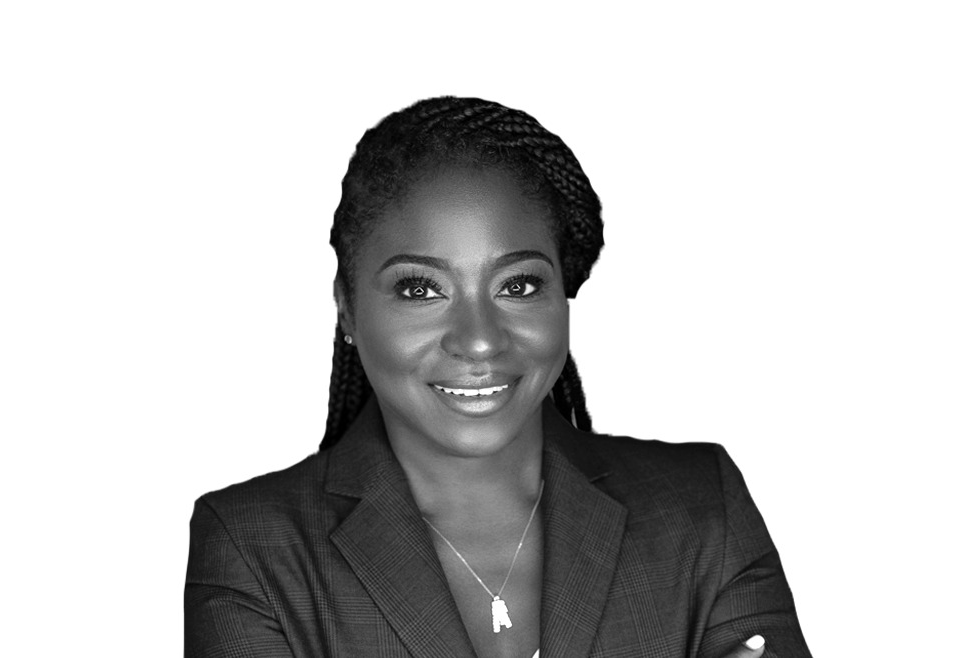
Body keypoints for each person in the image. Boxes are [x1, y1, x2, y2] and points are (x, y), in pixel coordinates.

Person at [184, 97, 811, 658]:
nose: (479, 338)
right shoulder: (255, 548)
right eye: (420, 289)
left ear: (563, 292)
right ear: (348, 309)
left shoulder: (700, 510)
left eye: (518, 285)